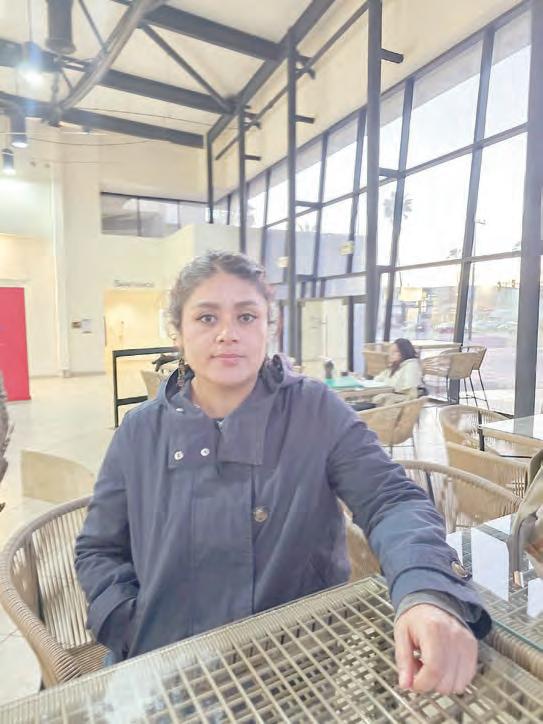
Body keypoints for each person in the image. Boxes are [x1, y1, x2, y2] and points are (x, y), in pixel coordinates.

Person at [76, 251, 489, 696]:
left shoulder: (315, 411)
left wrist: (426, 591)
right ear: (177, 332)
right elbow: (99, 548)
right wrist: (128, 625)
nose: (228, 334)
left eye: (246, 316)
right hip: (164, 676)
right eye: (207, 318)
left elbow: (391, 501)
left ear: (270, 327)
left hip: (292, 673)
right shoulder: (140, 431)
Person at [372, 338, 423, 406]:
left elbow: (410, 391)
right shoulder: (395, 365)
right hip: (391, 402)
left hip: (401, 405)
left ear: (404, 352)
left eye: (395, 352)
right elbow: (378, 379)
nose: (391, 354)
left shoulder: (411, 365)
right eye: (390, 351)